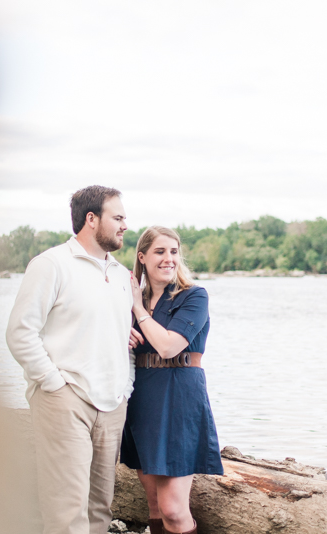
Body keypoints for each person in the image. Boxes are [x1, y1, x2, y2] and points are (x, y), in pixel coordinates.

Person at [6, 185, 135, 534]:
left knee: (99, 511)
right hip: (66, 400)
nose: (126, 224)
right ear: (91, 219)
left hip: (112, 405)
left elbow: (122, 339)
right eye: (118, 217)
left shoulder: (122, 276)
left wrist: (126, 385)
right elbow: (20, 332)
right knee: (67, 514)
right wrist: (53, 384)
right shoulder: (51, 265)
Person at [121, 226, 223, 534]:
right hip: (141, 399)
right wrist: (118, 331)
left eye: (174, 252)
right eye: (160, 251)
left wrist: (138, 309)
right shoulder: (126, 301)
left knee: (173, 509)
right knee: (153, 505)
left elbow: (168, 346)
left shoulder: (193, 296)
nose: (169, 259)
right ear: (142, 257)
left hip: (180, 399)